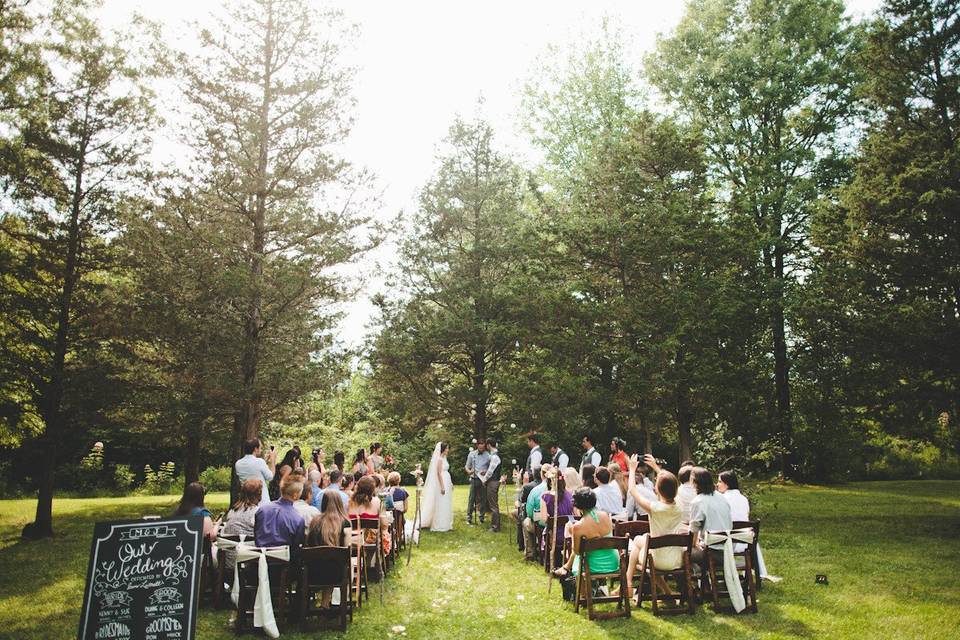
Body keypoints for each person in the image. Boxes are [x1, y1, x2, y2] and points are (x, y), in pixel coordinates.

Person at [622, 454, 684, 598]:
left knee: (638, 542)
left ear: (658, 489)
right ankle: (666, 592)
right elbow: (672, 483)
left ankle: (628, 582)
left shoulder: (654, 508)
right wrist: (657, 468)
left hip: (656, 559)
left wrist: (632, 470)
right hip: (676, 558)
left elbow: (632, 490)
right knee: (641, 539)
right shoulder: (680, 506)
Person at [551, 487, 619, 581]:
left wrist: (572, 533)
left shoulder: (578, 527)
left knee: (579, 558)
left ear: (577, 505)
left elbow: (577, 551)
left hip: (591, 566)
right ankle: (566, 568)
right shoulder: (605, 515)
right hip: (613, 562)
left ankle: (583, 590)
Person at [306, 488, 354, 608]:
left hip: (314, 571)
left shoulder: (315, 521)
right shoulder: (345, 522)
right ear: (339, 503)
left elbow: (309, 544)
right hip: (337, 573)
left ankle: (325, 602)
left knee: (326, 562)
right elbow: (348, 549)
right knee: (338, 562)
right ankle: (329, 603)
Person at [688, 467, 733, 570]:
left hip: (711, 552)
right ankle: (700, 574)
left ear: (695, 483)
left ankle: (693, 579)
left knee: (683, 552)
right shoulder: (722, 497)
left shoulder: (698, 501)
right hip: (728, 550)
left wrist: (695, 545)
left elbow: (693, 534)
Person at [220, 479, 262, 574]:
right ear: (259, 495)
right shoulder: (258, 513)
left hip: (228, 563)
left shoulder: (232, 512)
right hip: (249, 563)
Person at [254, 477, 306, 552]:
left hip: (260, 557)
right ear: (295, 495)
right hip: (284, 560)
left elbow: (257, 535)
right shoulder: (298, 519)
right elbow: (296, 547)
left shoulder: (262, 510)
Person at [539, 468, 573, 569]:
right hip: (569, 534)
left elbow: (544, 519)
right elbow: (575, 515)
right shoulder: (570, 495)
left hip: (554, 535)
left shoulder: (545, 496)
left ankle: (551, 562)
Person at [420, 442, 454, 532]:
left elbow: (446, 472)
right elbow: (438, 473)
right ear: (443, 449)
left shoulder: (445, 458)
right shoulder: (439, 459)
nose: (448, 450)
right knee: (441, 501)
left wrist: (450, 484)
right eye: (447, 448)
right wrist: (442, 486)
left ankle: (446, 523)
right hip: (441, 481)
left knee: (447, 501)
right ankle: (440, 524)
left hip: (447, 480)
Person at [522, 463, 551, 560]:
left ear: (542, 475)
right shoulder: (563, 490)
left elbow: (529, 512)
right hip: (559, 524)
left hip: (542, 524)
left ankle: (530, 553)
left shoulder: (536, 490)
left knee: (526, 522)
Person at [235, 438, 276, 505]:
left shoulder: (238, 463)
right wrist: (273, 460)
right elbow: (270, 477)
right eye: (260, 447)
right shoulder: (259, 462)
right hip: (261, 500)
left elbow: (254, 469)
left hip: (246, 500)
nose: (261, 450)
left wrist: (265, 461)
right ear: (255, 449)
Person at [465, 440, 490, 525]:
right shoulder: (472, 454)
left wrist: (486, 471)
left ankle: (481, 517)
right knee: (471, 499)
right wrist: (469, 471)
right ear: (477, 446)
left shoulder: (488, 455)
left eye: (483, 448)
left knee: (483, 499)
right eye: (480, 448)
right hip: (474, 478)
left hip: (483, 480)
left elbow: (491, 468)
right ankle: (469, 517)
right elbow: (467, 466)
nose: (481, 449)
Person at [479, 438, 502, 532]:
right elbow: (490, 469)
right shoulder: (494, 455)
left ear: (488, 445)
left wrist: (484, 479)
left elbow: (491, 471)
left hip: (493, 482)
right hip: (493, 481)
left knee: (493, 504)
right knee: (493, 503)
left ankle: (495, 527)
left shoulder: (495, 456)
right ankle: (495, 525)